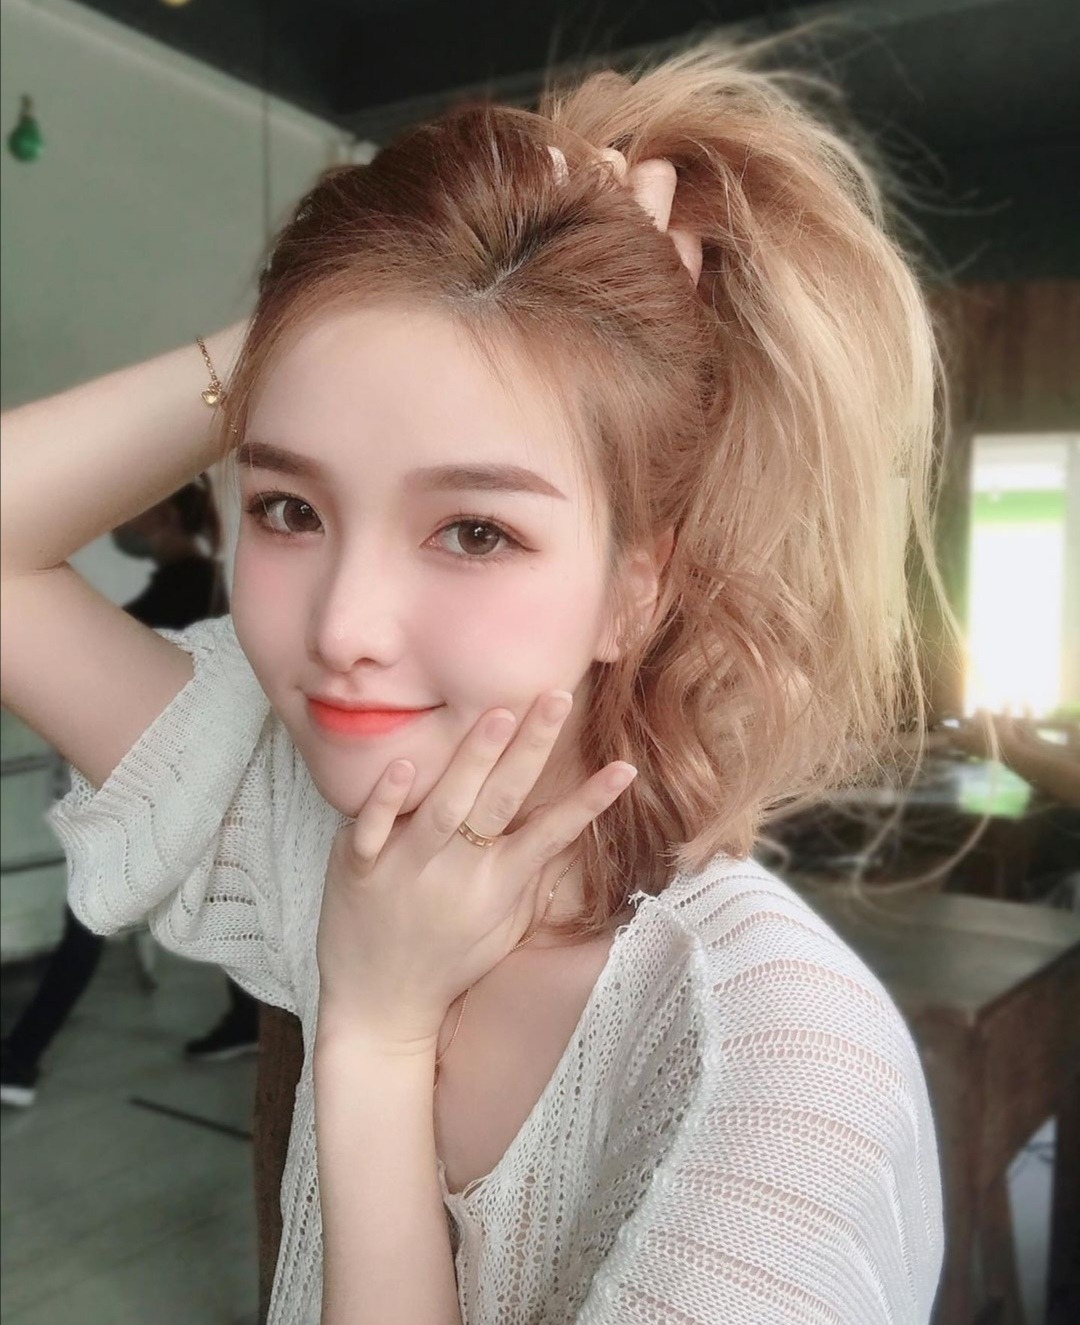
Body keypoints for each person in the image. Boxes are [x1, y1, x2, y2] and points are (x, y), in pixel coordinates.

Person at [0, 29, 951, 1325]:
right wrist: (306, 328)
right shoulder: (330, 826)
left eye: (475, 531)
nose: (344, 626)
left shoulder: (784, 1073)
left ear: (636, 586)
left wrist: (376, 1036)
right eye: (288, 507)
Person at [0, 481, 260, 1109]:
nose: (124, 521)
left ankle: (20, 1057)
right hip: (174, 783)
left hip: (161, 786)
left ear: (165, 513)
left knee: (92, 911)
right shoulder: (192, 584)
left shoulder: (186, 588)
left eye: (137, 509)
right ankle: (246, 1019)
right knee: (217, 895)